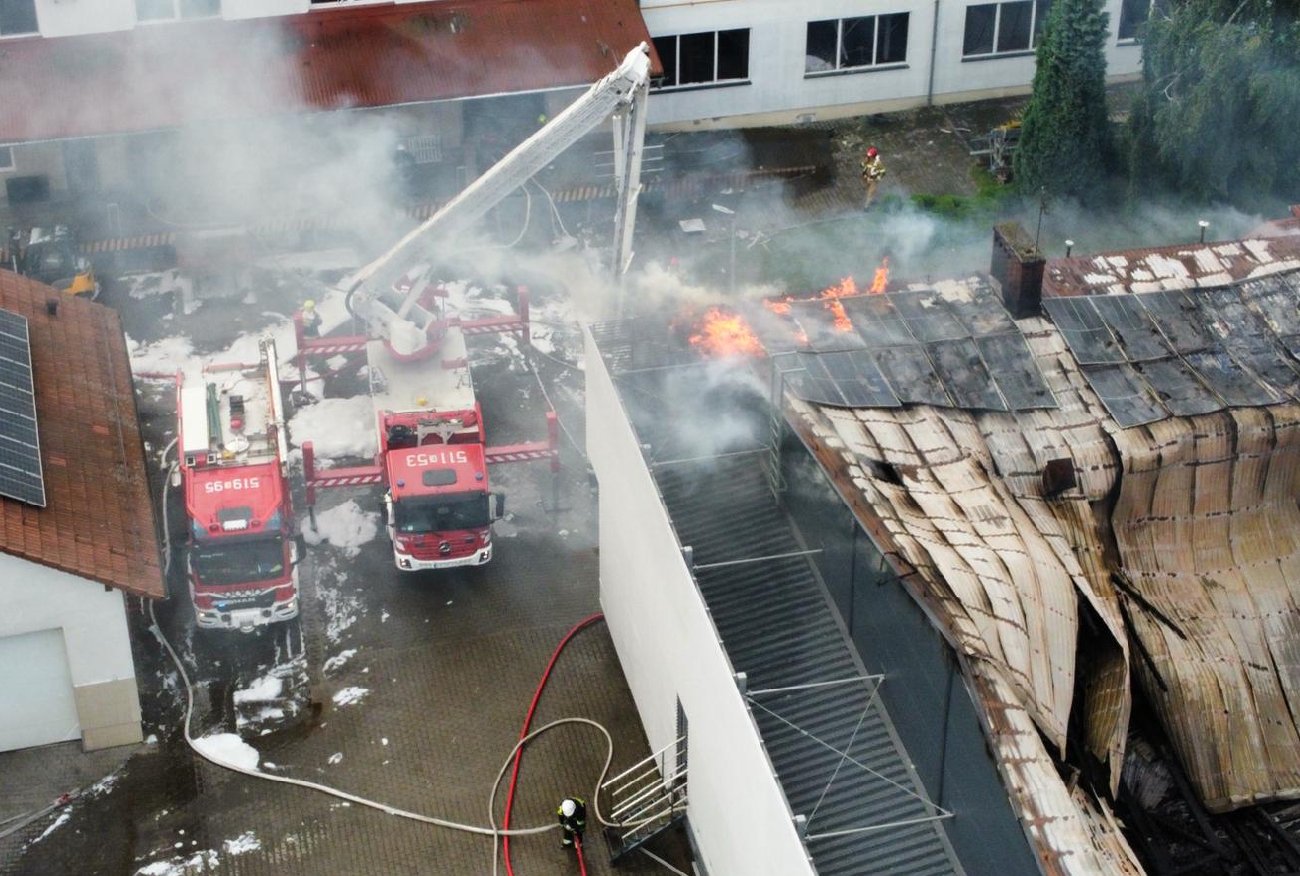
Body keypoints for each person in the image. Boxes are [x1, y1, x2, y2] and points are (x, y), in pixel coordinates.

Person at [860, 146, 887, 210]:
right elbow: (861, 165)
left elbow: (883, 171)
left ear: (873, 156)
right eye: (868, 156)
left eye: (870, 156)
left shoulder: (878, 163)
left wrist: (878, 178)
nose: (869, 157)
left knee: (870, 193)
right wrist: (864, 161)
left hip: (873, 180)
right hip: (866, 179)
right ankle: (872, 202)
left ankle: (866, 207)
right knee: (867, 191)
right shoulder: (867, 161)